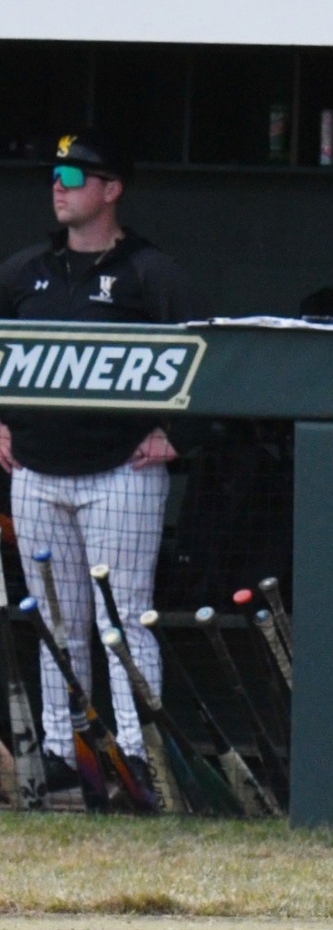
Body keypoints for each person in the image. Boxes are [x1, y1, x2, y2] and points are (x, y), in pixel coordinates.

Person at [0, 130, 194, 797]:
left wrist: (172, 431)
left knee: (122, 620)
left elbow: (203, 362)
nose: (59, 184)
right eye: (55, 173)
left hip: (121, 472)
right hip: (35, 469)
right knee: (57, 626)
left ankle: (137, 759)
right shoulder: (25, 270)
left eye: (74, 174)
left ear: (112, 188)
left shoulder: (150, 272)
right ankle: (66, 753)